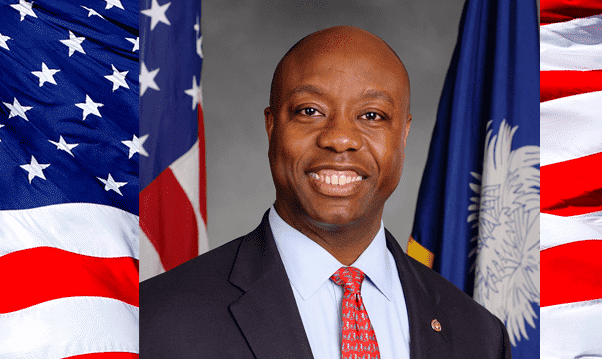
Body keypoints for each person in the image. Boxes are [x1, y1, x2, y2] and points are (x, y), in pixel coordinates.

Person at [140, 26, 511, 359]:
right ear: (272, 128)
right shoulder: (157, 319)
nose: (339, 138)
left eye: (372, 116)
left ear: (404, 134)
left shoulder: (478, 335)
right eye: (310, 110)